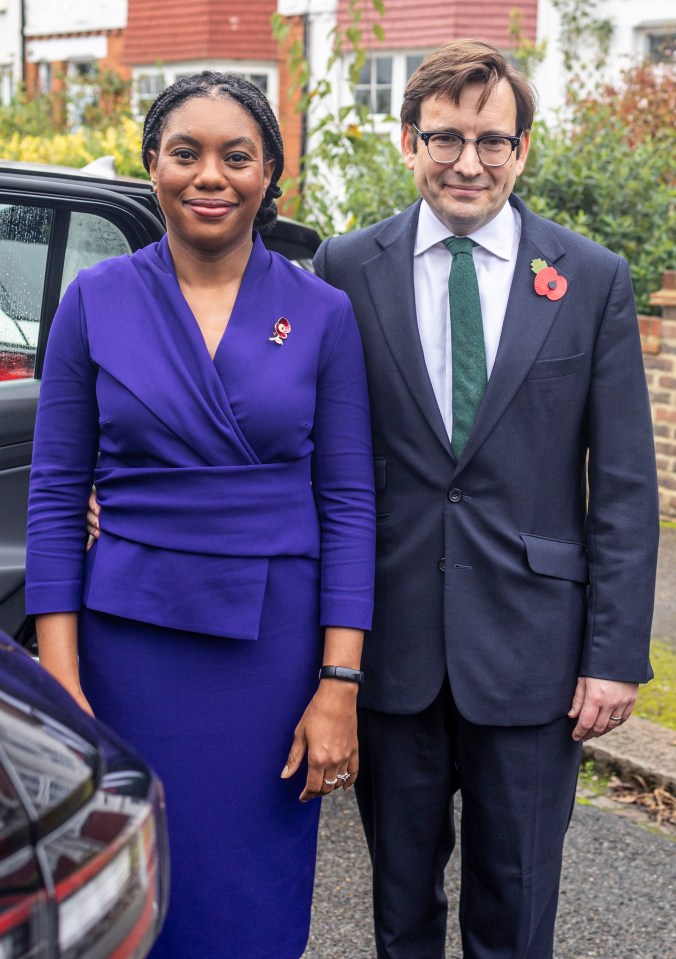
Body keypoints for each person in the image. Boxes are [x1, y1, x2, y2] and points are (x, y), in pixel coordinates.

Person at [312, 39, 659, 959]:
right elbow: (304, 446)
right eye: (447, 138)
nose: (469, 162)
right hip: (394, 650)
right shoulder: (345, 270)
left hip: (536, 657)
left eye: (493, 141)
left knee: (515, 913)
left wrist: (615, 655)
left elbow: (624, 484)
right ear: (408, 141)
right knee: (400, 912)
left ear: (524, 149)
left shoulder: (589, 279)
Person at [25, 72, 375, 959]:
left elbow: (348, 502)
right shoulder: (93, 301)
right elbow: (58, 494)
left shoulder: (323, 312)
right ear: (153, 167)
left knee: (247, 897)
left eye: (236, 155)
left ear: (270, 175)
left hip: (272, 653)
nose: (209, 175)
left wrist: (340, 683)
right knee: (121, 888)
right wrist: (62, 686)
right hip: (125, 649)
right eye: (186, 153)